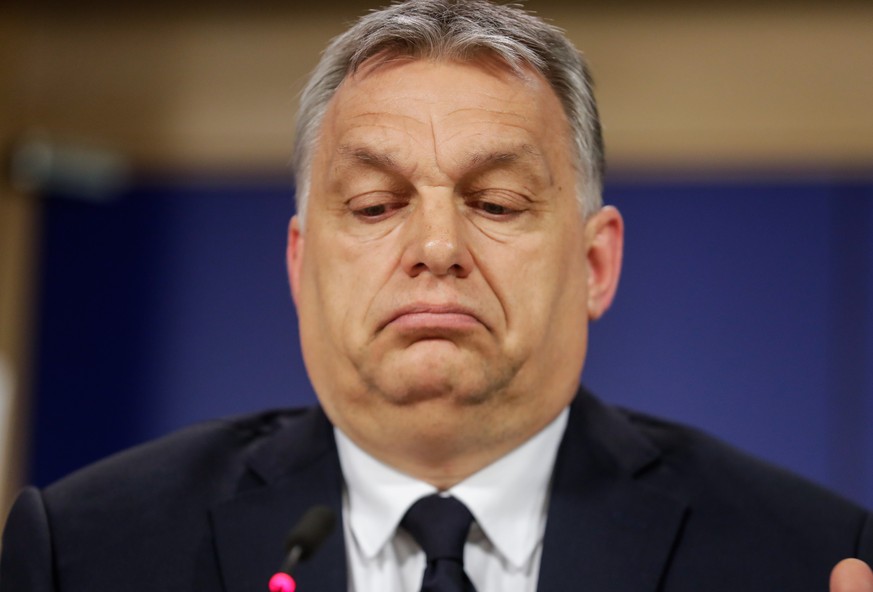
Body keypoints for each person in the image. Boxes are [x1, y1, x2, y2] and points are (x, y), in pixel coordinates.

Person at [2, 1, 872, 591]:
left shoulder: (801, 558)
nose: (435, 248)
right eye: (376, 206)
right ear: (301, 267)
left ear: (596, 266)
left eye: (495, 204)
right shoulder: (86, 553)